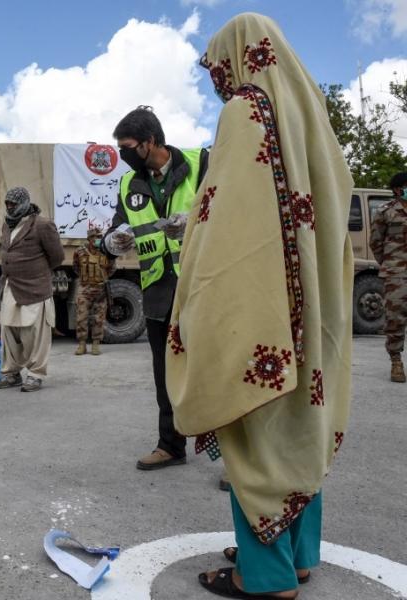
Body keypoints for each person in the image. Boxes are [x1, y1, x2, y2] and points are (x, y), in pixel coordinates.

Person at [167, 13, 352, 598]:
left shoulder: (246, 110)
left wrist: (199, 299)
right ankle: (297, 555)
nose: (216, 80)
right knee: (301, 427)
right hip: (316, 304)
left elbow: (226, 223)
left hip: (264, 304)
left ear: (239, 56)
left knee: (258, 433)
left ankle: (265, 575)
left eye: (216, 66)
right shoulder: (308, 114)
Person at [101, 106, 208, 471]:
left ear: (150, 141)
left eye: (128, 147)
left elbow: (230, 209)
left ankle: (237, 457)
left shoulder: (200, 163)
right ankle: (171, 445)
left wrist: (193, 220)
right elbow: (117, 228)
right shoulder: (128, 184)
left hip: (202, 285)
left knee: (216, 370)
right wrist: (112, 241)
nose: (124, 155)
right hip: (158, 290)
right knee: (166, 375)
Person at [0, 187, 64, 392]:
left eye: (13, 204)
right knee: (9, 331)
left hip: (35, 288)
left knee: (34, 333)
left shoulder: (42, 225)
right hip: (11, 287)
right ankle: (11, 373)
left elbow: (57, 257)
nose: (9, 207)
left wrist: (37, 272)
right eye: (7, 203)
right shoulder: (7, 225)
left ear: (24, 203)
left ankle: (35, 375)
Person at [369, 171, 407, 383]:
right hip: (396, 273)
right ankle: (396, 361)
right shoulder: (385, 212)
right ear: (398, 189)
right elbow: (375, 242)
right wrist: (390, 264)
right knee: (395, 318)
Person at [72, 226, 115, 356]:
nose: (97, 239)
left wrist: (100, 278)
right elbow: (76, 267)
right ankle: (82, 345)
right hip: (85, 289)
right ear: (89, 239)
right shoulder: (79, 251)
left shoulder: (106, 252)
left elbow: (112, 268)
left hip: (100, 289)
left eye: (99, 237)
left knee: (99, 318)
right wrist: (86, 278)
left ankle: (96, 344)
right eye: (95, 237)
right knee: (81, 317)